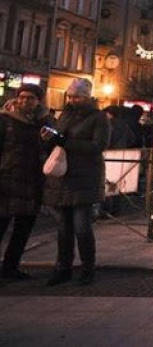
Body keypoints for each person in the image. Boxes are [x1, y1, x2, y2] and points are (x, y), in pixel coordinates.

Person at [42, 78, 110, 286]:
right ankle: (63, 267)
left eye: (77, 96)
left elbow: (98, 145)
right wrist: (50, 138)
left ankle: (87, 268)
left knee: (82, 226)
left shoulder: (98, 117)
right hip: (64, 175)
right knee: (63, 227)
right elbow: (60, 140)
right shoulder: (66, 114)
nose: (72, 100)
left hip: (85, 177)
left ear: (87, 97)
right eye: (70, 96)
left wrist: (67, 142)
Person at [0, 84, 53, 280]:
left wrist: (49, 140)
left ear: (39, 100)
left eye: (30, 98)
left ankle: (10, 267)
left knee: (23, 229)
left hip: (32, 180)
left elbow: (52, 148)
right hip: (7, 179)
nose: (25, 101)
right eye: (22, 97)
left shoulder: (45, 121)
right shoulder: (5, 119)